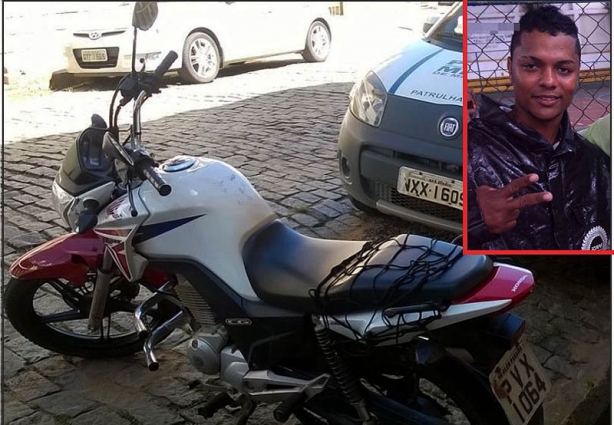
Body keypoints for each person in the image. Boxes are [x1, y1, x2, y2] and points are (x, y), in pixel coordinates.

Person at [467, 5, 611, 251]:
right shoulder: (472, 152)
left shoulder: (595, 162)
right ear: (510, 69)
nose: (548, 81)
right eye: (532, 67)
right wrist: (474, 224)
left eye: (563, 69)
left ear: (577, 75)